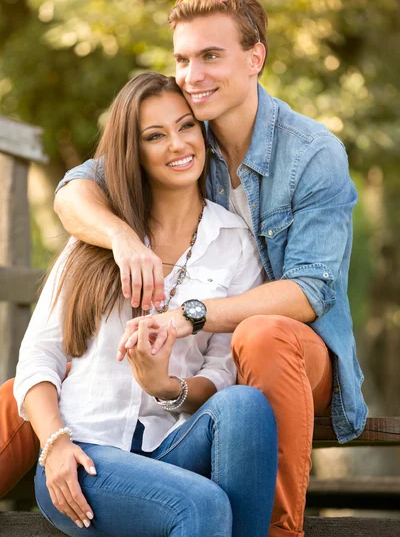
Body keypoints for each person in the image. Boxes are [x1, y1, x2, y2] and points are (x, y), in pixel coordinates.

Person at [2, 0, 367, 536]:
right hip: (93, 444)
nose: (192, 75)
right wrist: (122, 240)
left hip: (293, 350)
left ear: (255, 58)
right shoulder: (173, 144)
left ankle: (279, 530)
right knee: (18, 400)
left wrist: (170, 361)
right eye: (182, 58)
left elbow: (310, 292)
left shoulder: (308, 157)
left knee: (256, 356)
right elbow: (75, 191)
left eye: (210, 56)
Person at [10, 72, 278, 537]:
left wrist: (165, 385)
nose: (178, 145)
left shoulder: (236, 243)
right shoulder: (94, 238)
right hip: (87, 456)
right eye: (155, 136)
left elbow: (220, 372)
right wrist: (54, 444)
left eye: (187, 126)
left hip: (173, 443)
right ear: (133, 152)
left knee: (246, 404)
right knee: (202, 505)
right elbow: (39, 356)